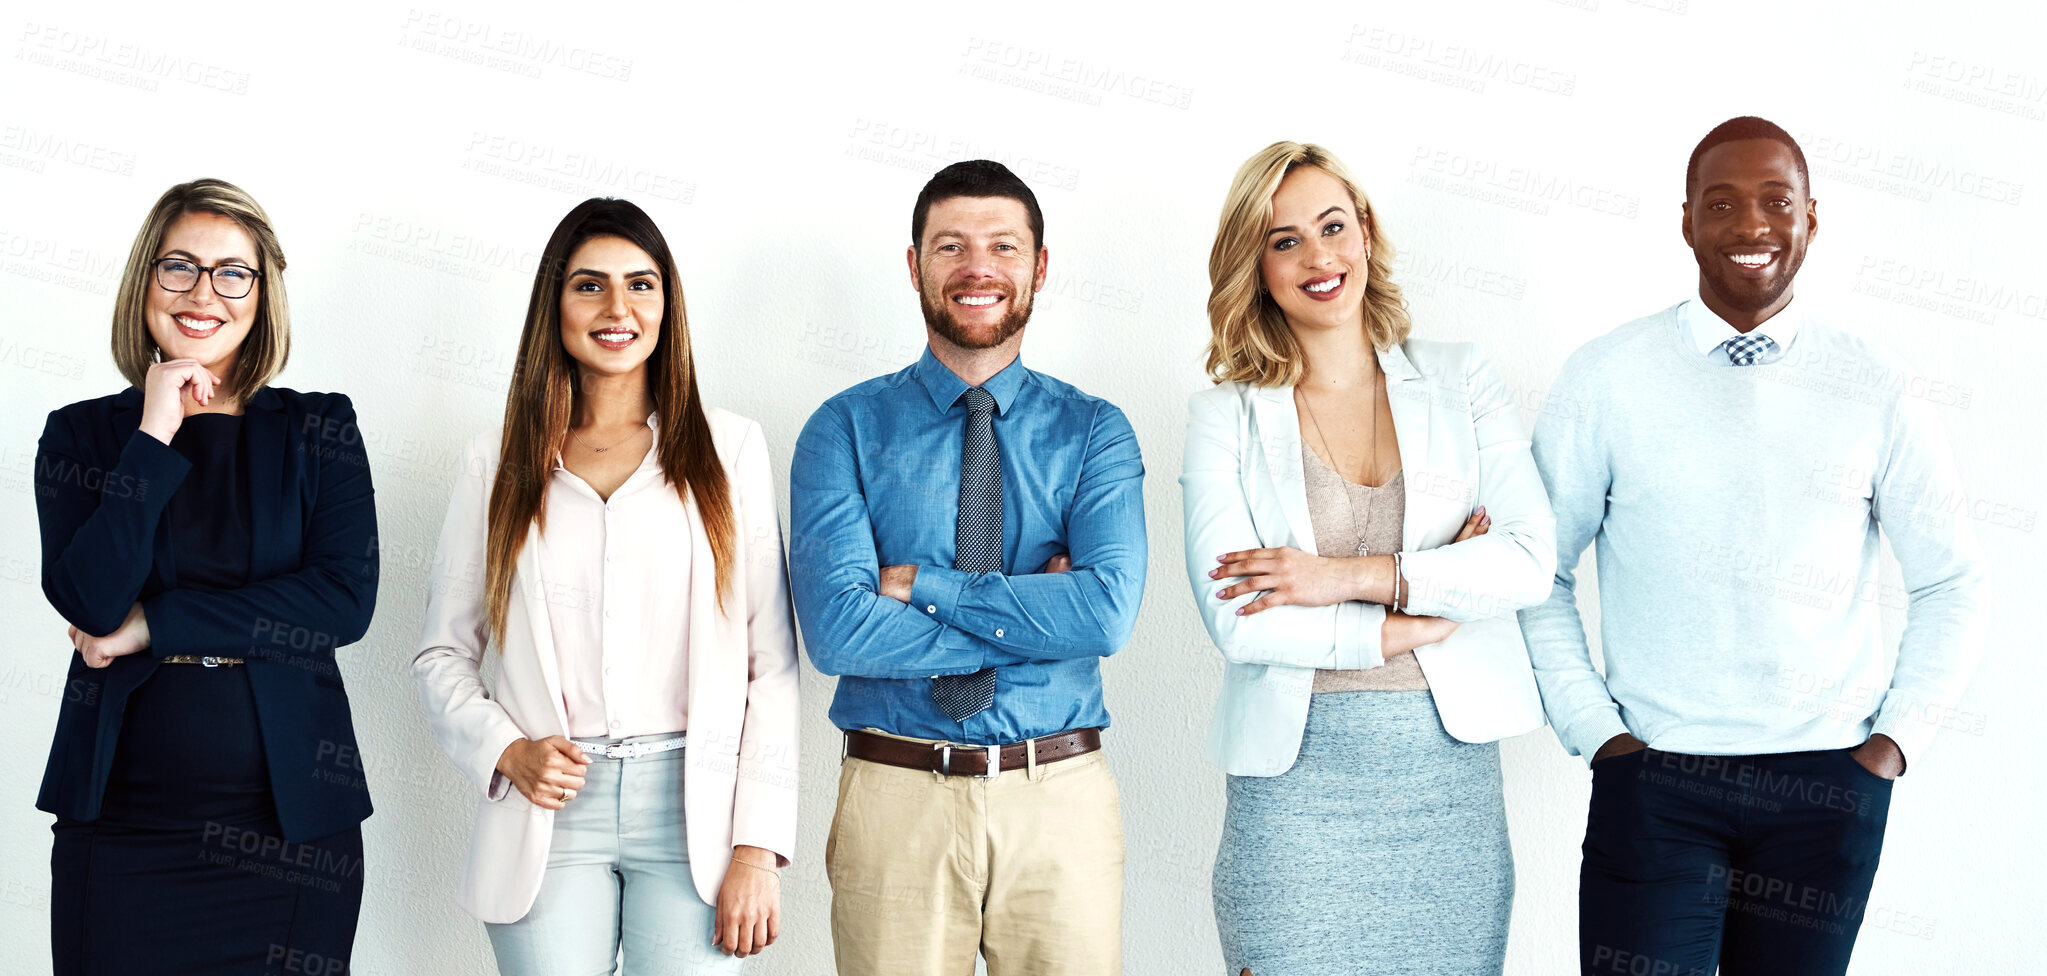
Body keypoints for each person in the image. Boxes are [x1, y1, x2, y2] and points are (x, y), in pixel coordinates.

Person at [1520, 116, 1991, 975]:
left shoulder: (1874, 382)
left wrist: (1889, 748)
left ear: (1811, 215)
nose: (1750, 227)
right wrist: (1597, 735)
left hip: (1826, 789)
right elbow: (1535, 570)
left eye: (1775, 201)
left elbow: (1951, 580)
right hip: (1657, 784)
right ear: (1686, 219)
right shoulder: (1605, 377)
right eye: (1721, 202)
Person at [1183, 141, 1556, 975]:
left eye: (1332, 226)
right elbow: (1239, 625)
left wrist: (1341, 580)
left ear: (1364, 234)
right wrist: (1412, 624)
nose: (1318, 257)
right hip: (1292, 810)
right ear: (1255, 265)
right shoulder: (1225, 418)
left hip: (1446, 798)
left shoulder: (1461, 381)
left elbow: (1528, 561)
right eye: (1284, 241)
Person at [412, 197, 799, 973]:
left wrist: (758, 849)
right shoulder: (495, 463)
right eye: (589, 285)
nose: (618, 308)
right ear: (554, 305)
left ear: (667, 304)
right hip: (549, 813)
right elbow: (441, 655)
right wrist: (506, 749)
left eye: (641, 284)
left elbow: (771, 665)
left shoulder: (731, 449)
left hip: (696, 810)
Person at [788, 159, 1146, 976]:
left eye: (1002, 247)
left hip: (1059, 795)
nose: (977, 268)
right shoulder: (842, 428)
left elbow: (1106, 616)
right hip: (896, 794)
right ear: (914, 266)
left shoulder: (1094, 431)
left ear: (1039, 267)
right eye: (950, 246)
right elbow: (840, 632)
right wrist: (1037, 613)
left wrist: (924, 589)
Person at [35, 178, 377, 973]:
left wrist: (155, 624)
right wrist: (154, 432)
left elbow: (341, 601)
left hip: (294, 833)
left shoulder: (319, 428)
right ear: (144, 282)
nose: (203, 293)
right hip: (120, 829)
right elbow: (88, 597)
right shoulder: (83, 435)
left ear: (262, 295)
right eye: (178, 267)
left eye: (232, 272)